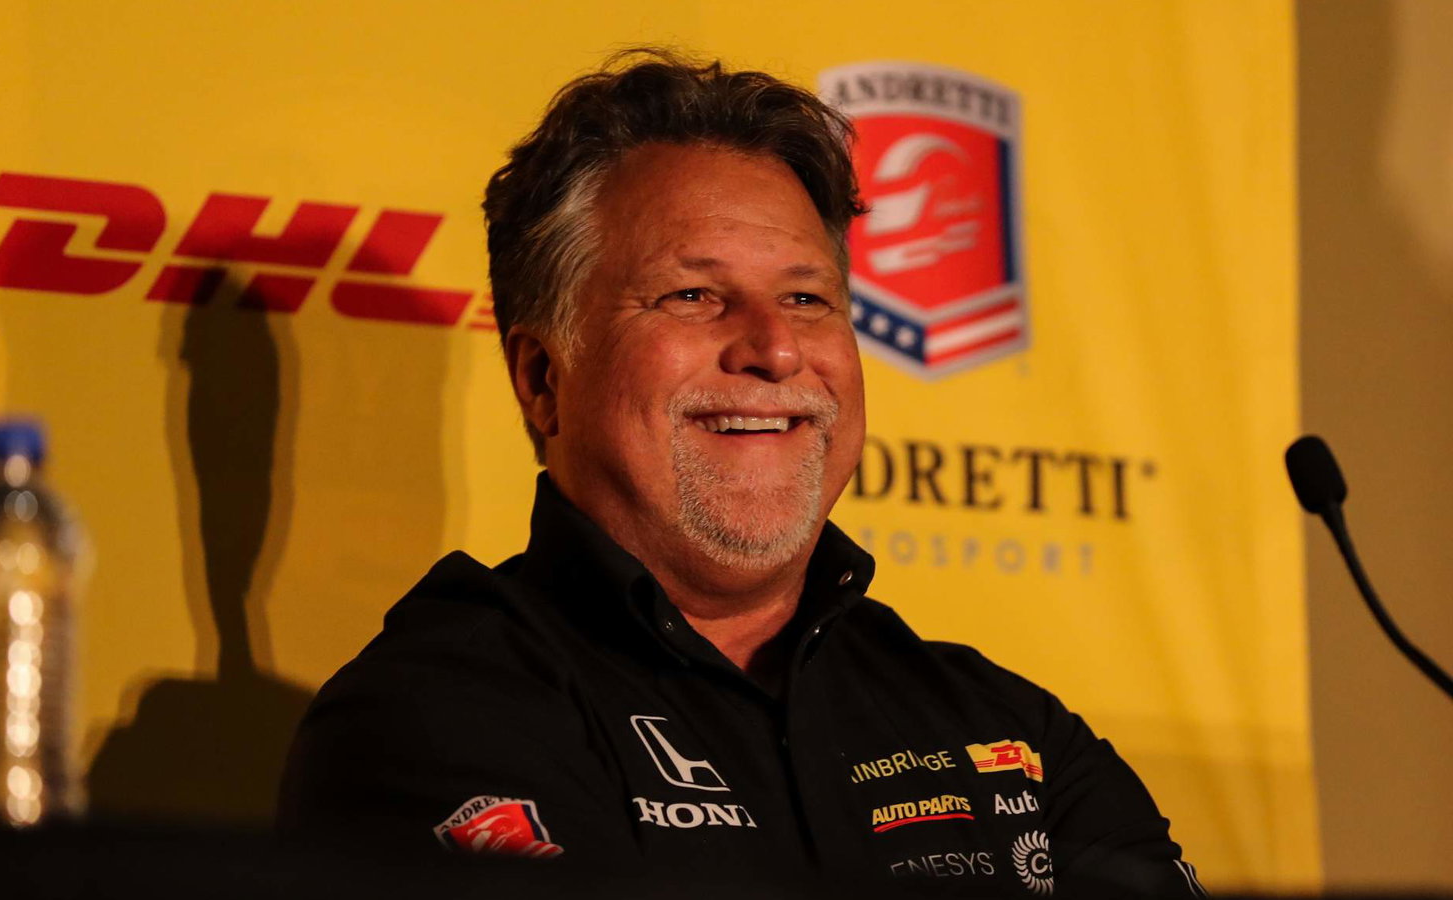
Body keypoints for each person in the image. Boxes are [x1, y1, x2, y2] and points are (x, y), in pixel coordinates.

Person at [279, 50, 1204, 897]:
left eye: (806, 298)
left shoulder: (1009, 733)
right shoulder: (433, 716)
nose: (775, 348)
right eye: (692, 295)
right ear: (543, 379)